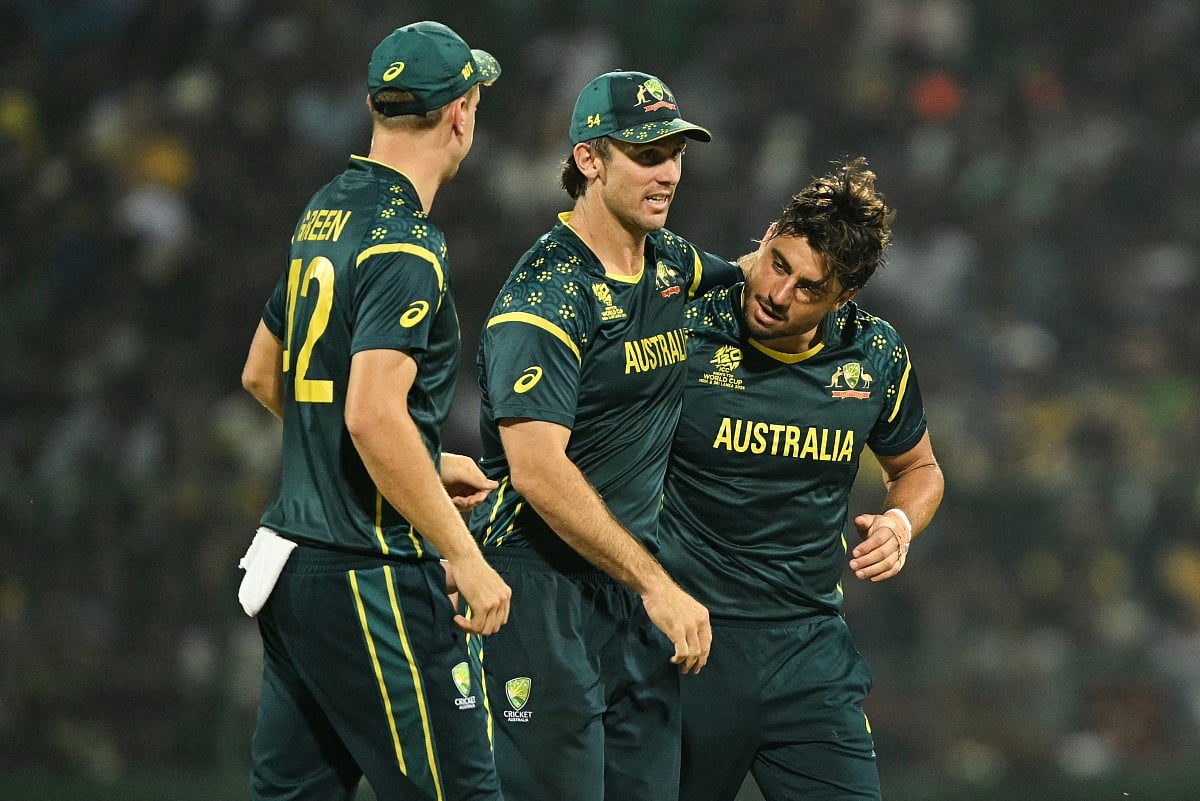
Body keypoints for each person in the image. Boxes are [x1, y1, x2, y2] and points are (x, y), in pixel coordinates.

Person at [238, 21, 512, 801]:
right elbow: (370, 416)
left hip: (295, 567)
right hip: (374, 572)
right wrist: (462, 552)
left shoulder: (326, 210)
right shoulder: (407, 243)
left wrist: (414, 462)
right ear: (460, 113)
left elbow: (262, 373)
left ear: (373, 106)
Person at [467, 71, 743, 801]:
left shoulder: (670, 262)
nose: (669, 173)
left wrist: (810, 264)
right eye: (648, 155)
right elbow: (536, 470)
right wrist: (657, 585)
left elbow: (751, 284)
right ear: (589, 159)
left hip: (630, 590)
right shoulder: (545, 297)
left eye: (676, 154)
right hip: (540, 590)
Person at [657, 157, 945, 801]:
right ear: (765, 238)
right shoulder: (684, 326)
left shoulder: (873, 355)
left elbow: (918, 467)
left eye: (809, 288)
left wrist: (900, 522)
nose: (778, 293)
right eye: (777, 263)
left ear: (844, 298)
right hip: (686, 642)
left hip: (809, 654)